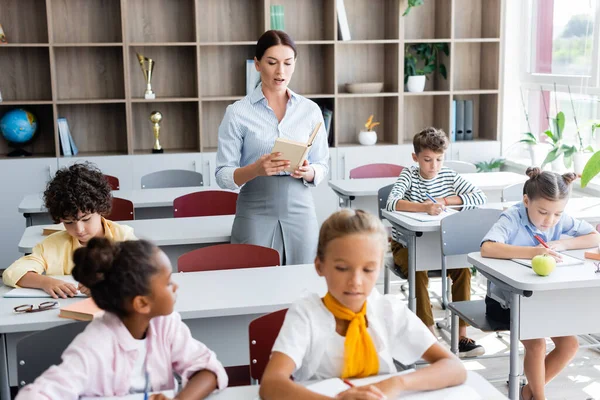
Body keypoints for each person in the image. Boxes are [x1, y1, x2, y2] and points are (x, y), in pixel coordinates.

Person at [259, 209, 466, 400]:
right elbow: (271, 384)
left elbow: (455, 367)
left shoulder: (388, 310)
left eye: (368, 270)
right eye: (342, 268)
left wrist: (396, 383)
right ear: (319, 266)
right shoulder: (306, 314)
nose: (356, 281)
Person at [16, 238, 228, 400]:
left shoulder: (165, 324)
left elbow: (208, 369)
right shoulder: (94, 346)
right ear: (142, 304)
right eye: (167, 282)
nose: (176, 287)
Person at [481, 167, 600, 400]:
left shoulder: (557, 217)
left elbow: (594, 236)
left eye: (557, 214)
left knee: (570, 346)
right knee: (536, 344)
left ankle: (528, 393)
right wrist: (532, 252)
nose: (550, 220)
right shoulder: (512, 217)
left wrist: (562, 245)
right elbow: (488, 247)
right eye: (543, 212)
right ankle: (540, 397)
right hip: (507, 300)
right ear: (526, 201)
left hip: (545, 299)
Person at [215, 30, 329, 265]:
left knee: (303, 282)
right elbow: (223, 174)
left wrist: (309, 172)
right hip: (254, 208)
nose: (281, 71)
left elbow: (322, 164)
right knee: (251, 280)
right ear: (257, 64)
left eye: (288, 63)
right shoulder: (237, 113)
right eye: (272, 62)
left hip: (301, 208)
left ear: (295, 64)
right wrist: (255, 169)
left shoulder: (310, 110)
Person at [385, 127, 486, 357]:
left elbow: (479, 197)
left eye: (439, 159)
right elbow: (392, 202)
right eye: (428, 160)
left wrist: (445, 200)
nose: (434, 166)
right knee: (417, 269)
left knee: (462, 268)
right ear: (415, 158)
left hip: (440, 242)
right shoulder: (409, 175)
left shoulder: (448, 175)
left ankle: (462, 336)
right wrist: (424, 207)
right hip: (407, 244)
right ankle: (428, 337)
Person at [2, 163, 136, 298]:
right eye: (69, 222)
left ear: (100, 210)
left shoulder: (122, 236)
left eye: (86, 219)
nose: (79, 229)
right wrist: (46, 282)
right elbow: (12, 273)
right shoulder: (53, 244)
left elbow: (140, 275)